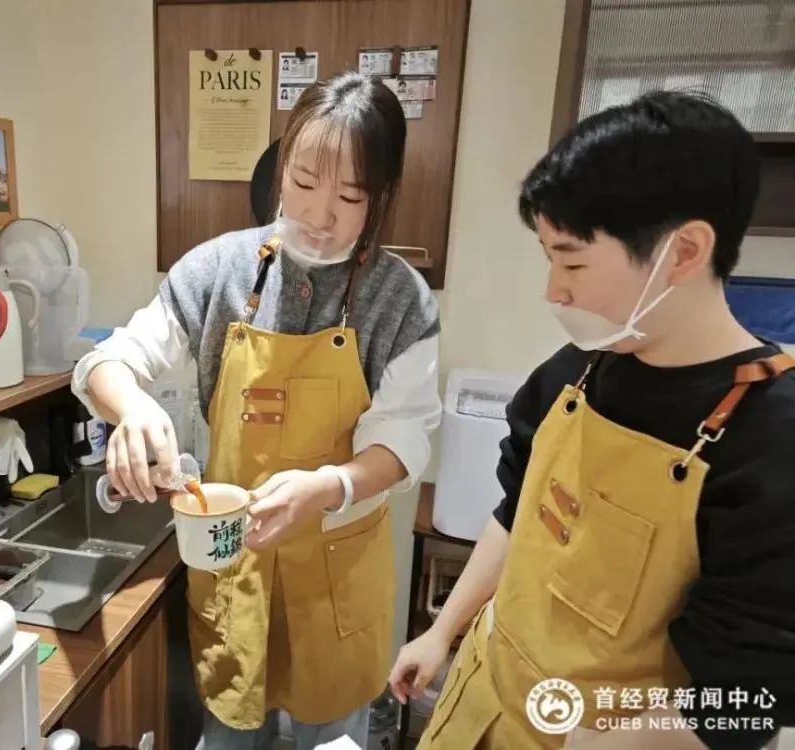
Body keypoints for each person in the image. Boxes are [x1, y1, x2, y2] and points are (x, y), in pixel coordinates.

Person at [390, 90, 795, 749]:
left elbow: (750, 703)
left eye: (573, 261)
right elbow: (518, 511)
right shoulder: (578, 368)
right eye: (550, 259)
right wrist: (444, 630)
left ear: (686, 251)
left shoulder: (771, 440)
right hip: (484, 711)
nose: (555, 290)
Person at [72, 71, 441, 749]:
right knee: (228, 729)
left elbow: (405, 441)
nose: (320, 214)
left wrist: (329, 486)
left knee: (332, 734)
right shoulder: (217, 270)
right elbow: (107, 361)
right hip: (233, 562)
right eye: (303, 182)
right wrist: (131, 409)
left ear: (381, 196)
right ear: (281, 168)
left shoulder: (402, 300)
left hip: (338, 578)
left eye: (350, 195)